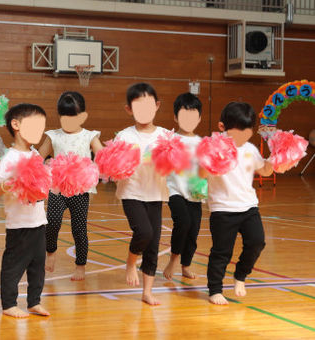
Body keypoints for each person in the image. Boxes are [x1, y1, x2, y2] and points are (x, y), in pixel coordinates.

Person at [200, 102, 273, 305]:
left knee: (257, 242)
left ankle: (240, 276)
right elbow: (200, 174)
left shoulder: (250, 149)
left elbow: (265, 171)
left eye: (247, 132)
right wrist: (210, 161)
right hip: (222, 209)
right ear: (222, 127)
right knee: (222, 251)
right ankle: (215, 289)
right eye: (238, 132)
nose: (243, 137)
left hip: (249, 207)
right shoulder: (213, 148)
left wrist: (276, 159)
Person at [39, 91, 103, 281]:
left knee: (79, 229)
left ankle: (80, 266)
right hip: (57, 188)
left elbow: (102, 155)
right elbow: (39, 157)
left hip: (80, 190)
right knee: (52, 222)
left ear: (82, 116)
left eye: (73, 116)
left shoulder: (90, 136)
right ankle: (50, 252)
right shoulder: (53, 136)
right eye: (65, 116)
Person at [0, 103, 50, 318]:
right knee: (14, 266)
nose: (40, 131)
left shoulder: (35, 154)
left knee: (38, 266)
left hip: (38, 221)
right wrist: (11, 182)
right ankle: (9, 304)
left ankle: (34, 301)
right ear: (16, 125)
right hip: (19, 224)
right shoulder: (10, 158)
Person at [115, 82, 169, 305]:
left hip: (156, 194)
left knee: (154, 244)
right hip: (132, 192)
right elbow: (114, 166)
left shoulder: (166, 135)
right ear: (128, 109)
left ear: (157, 106)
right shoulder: (124, 136)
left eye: (148, 105)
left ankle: (147, 291)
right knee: (144, 232)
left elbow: (177, 163)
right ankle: (130, 261)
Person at [163, 93, 204, 281]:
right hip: (174, 190)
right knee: (183, 223)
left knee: (194, 230)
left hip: (195, 193)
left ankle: (186, 265)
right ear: (175, 117)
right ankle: (172, 260)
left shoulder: (203, 143)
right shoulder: (169, 139)